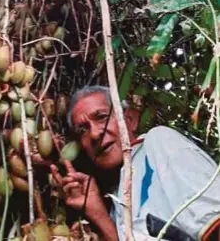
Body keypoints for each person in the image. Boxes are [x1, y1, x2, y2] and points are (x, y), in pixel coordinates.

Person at [50, 86, 220, 241]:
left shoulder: (158, 143)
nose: (94, 134)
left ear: (131, 119)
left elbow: (214, 222)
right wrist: (97, 211)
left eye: (101, 117)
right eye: (83, 130)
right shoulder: (117, 198)